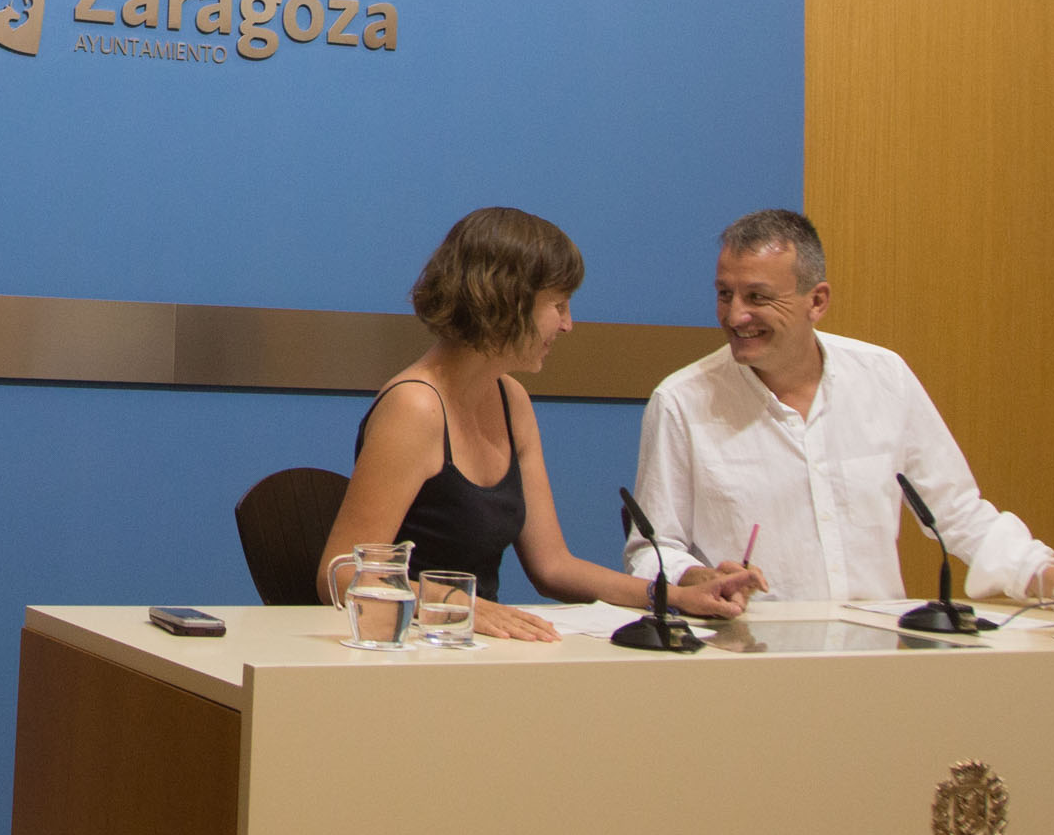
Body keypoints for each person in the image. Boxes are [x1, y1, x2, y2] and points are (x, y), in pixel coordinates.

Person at [629, 208, 1054, 625]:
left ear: (816, 301)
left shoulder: (884, 377)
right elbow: (653, 551)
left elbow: (959, 515)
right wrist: (695, 577)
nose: (735, 315)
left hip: (879, 657)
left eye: (757, 297)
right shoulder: (682, 400)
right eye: (724, 294)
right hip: (746, 660)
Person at [318, 207, 758, 642]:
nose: (568, 325)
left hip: (477, 645)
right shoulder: (414, 407)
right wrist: (457, 602)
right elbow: (340, 575)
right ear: (506, 302)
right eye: (558, 305)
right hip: (414, 648)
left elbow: (553, 566)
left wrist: (673, 596)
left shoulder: (512, 400)